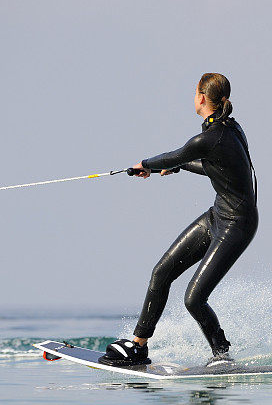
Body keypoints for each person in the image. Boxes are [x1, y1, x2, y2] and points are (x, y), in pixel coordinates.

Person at [99, 73, 257, 368]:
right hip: (218, 216)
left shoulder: (212, 136)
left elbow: (177, 154)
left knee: (194, 298)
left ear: (200, 98)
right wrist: (182, 166)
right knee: (162, 271)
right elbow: (215, 167)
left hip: (238, 224)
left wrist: (143, 165)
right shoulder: (224, 130)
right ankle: (138, 347)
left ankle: (222, 355)